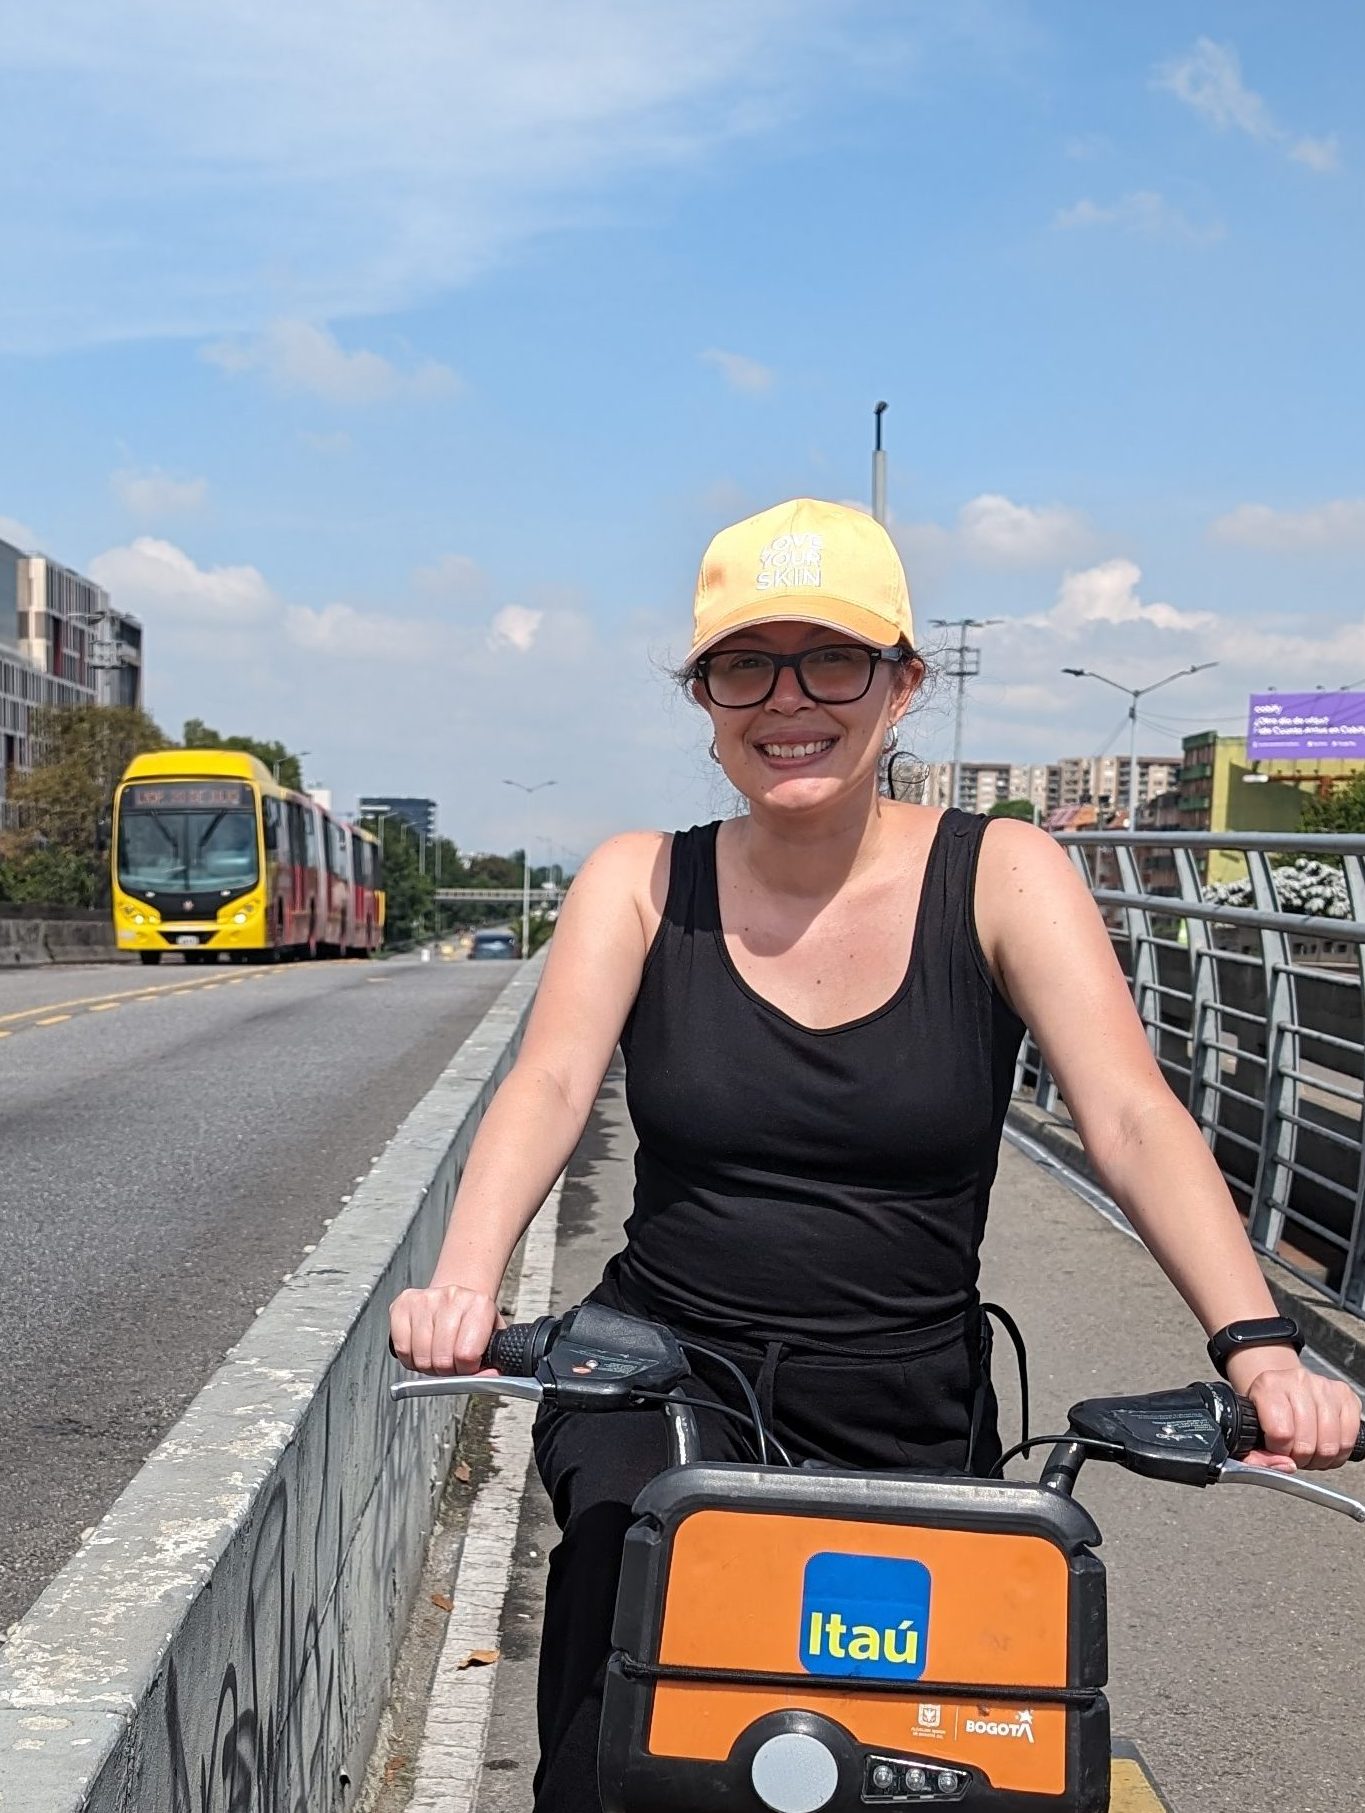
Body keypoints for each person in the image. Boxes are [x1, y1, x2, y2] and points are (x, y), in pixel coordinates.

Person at [389, 497, 1361, 1812]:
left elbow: (1131, 1113)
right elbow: (552, 1079)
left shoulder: (1002, 872)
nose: (787, 701)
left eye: (831, 659)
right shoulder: (636, 879)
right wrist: (465, 1284)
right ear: (705, 694)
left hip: (908, 1405)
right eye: (746, 664)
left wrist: (1255, 1341)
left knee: (935, 1764)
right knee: (622, 1692)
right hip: (658, 1378)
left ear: (902, 683)